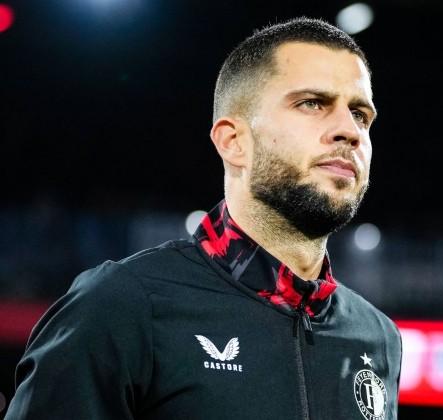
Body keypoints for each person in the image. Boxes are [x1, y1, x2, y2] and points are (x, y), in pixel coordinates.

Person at [6, 17, 402, 420]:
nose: (349, 130)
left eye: (360, 114)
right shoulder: (122, 306)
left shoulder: (377, 337)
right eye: (312, 103)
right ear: (234, 142)